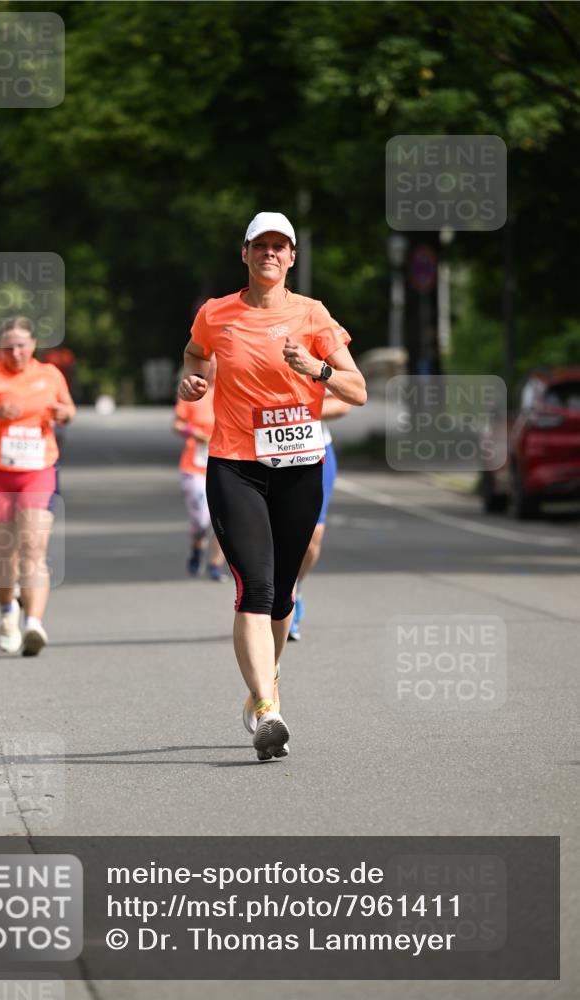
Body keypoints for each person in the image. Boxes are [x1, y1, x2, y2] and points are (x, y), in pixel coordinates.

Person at [178, 211, 367, 761]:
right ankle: (267, 710)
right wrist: (192, 380)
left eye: (279, 246)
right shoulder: (216, 314)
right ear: (245, 253)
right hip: (235, 464)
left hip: (300, 465)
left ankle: (268, 683)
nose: (269, 254)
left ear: (291, 257)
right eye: (259, 245)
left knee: (282, 594)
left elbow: (356, 391)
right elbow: (194, 355)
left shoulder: (313, 315)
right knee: (254, 588)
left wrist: (317, 367)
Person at [0, 317, 76, 656]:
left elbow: (69, 409)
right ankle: (8, 612)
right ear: (0, 348)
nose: (15, 352)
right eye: (8, 346)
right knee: (5, 553)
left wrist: (63, 412)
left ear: (33, 345)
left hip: (39, 470)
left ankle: (33, 623)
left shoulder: (50, 375)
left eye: (21, 345)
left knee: (34, 548)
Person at [288, 390, 350, 640]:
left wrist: (292, 413)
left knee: (312, 538)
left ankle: (295, 586)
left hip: (315, 450)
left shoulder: (315, 353)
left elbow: (344, 402)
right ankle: (282, 600)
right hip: (263, 451)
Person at [172, 358, 225, 580]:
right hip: (194, 466)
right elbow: (176, 424)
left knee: (224, 518)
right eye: (209, 363)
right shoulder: (193, 392)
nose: (213, 367)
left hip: (224, 463)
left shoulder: (230, 391)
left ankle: (215, 564)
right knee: (202, 520)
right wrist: (195, 434)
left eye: (217, 363)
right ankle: (197, 547)